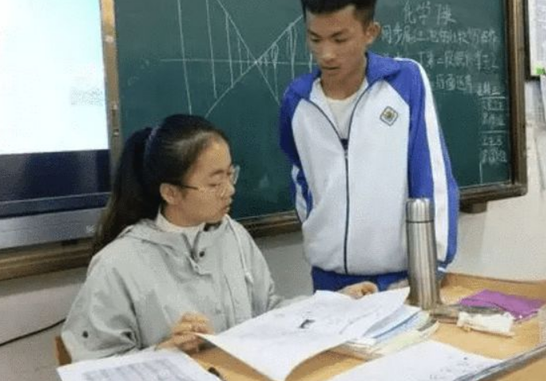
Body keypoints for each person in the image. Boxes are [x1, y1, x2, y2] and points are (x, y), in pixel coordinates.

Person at [62, 114, 376, 361]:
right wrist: (164, 350)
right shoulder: (118, 264)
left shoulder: (233, 235)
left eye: (230, 174)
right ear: (171, 193)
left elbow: (268, 312)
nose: (230, 190)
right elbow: (93, 366)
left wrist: (333, 305)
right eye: (215, 183)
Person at [279, 0, 459, 293]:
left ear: (370, 32)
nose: (326, 54)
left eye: (339, 39)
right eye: (315, 39)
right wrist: (318, 232)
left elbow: (431, 174)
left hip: (399, 278)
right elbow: (300, 177)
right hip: (328, 279)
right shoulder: (298, 100)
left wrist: (431, 265)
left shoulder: (405, 82)